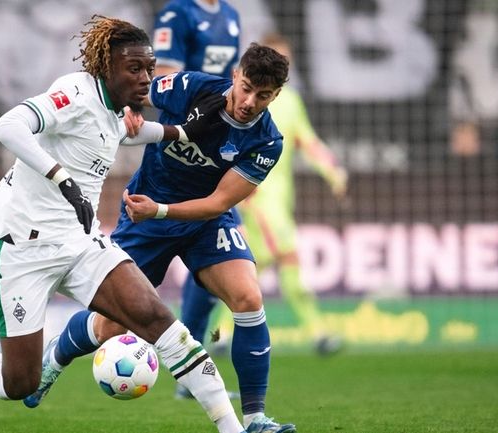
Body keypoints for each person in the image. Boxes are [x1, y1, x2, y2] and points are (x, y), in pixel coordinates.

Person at [0, 16, 248, 433]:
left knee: (158, 319)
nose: (145, 78)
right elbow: (7, 126)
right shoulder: (75, 93)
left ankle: (233, 428)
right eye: (134, 69)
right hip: (23, 245)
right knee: (18, 383)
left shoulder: (115, 110)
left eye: (149, 69)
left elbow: (126, 133)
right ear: (105, 67)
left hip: (81, 243)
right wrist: (61, 178)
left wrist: (183, 131)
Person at [27, 43, 297, 433]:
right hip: (146, 221)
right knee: (109, 328)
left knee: (248, 297)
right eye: (247, 87)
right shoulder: (191, 86)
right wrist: (127, 113)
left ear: (276, 96)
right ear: (236, 75)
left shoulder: (267, 142)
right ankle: (57, 355)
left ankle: (255, 418)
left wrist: (161, 209)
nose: (250, 102)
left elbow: (216, 202)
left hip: (203, 220)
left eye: (264, 96)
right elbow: (128, 91)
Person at [214, 32, 348, 355]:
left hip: (280, 200)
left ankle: (219, 334)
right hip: (257, 199)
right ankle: (317, 332)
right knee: (289, 258)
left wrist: (333, 169)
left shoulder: (289, 102)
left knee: (247, 269)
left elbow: (307, 141)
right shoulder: (241, 101)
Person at [151, 0, 245, 380]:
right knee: (126, 292)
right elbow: (166, 79)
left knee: (218, 272)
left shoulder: (231, 15)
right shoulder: (178, 15)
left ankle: (192, 368)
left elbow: (237, 85)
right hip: (180, 152)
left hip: (218, 153)